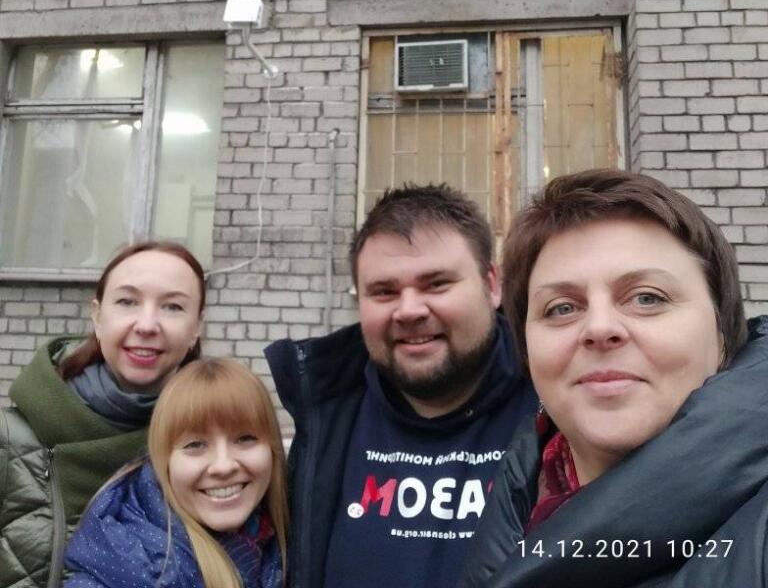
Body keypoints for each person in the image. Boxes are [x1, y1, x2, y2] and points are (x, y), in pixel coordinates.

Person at [459, 169, 768, 588]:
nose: (599, 327)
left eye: (647, 298)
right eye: (562, 308)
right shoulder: (518, 501)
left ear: (723, 336)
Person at [266, 183, 537, 588]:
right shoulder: (327, 416)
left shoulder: (556, 409)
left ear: (492, 284)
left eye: (436, 284)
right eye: (384, 291)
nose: (409, 310)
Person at [0, 241, 205, 588]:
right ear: (97, 315)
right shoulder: (10, 440)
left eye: (172, 306)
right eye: (127, 301)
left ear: (196, 327)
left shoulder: (219, 455)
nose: (147, 324)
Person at [64, 358, 288, 588]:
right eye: (195, 445)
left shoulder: (278, 546)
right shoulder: (106, 578)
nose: (223, 466)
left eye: (245, 439)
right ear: (163, 461)